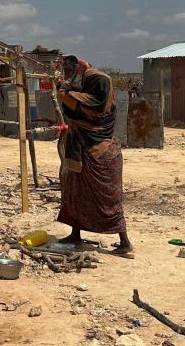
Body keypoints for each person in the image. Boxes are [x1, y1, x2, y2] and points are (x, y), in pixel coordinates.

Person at [56, 55, 133, 257]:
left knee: (108, 200)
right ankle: (75, 234)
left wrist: (70, 79)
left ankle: (124, 242)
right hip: (82, 151)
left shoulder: (96, 105)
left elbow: (65, 95)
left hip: (100, 154)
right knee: (75, 192)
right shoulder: (96, 100)